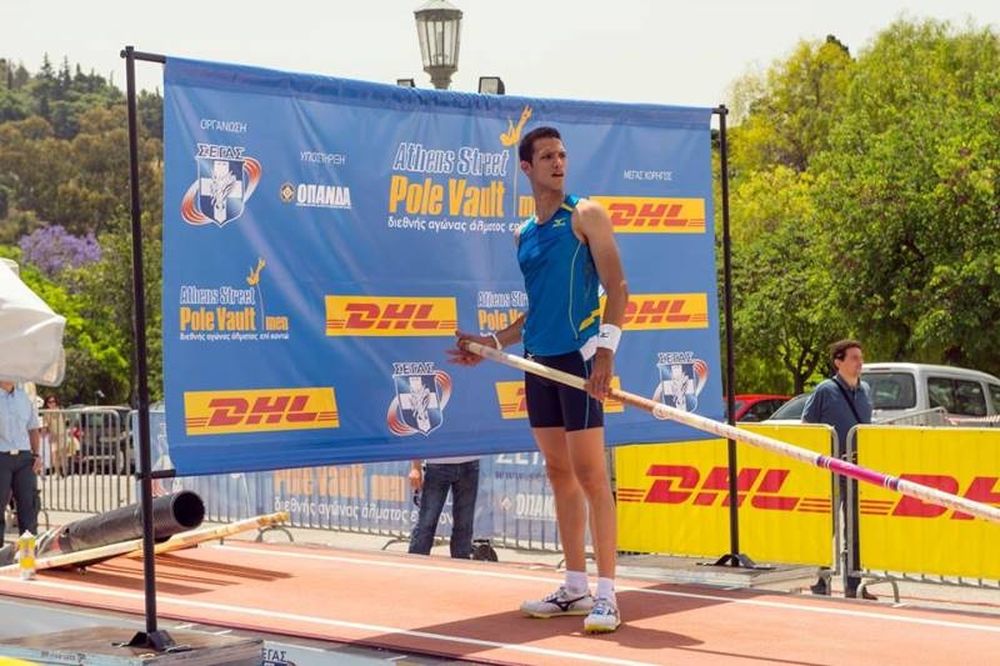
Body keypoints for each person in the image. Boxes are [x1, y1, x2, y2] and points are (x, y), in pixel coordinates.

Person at [448, 126, 628, 634]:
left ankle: (609, 595)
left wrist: (606, 356)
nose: (558, 162)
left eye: (563, 155)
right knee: (558, 471)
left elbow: (617, 286)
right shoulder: (524, 233)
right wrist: (491, 345)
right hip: (538, 361)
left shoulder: (585, 215)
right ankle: (574, 586)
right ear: (525, 167)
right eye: (547, 156)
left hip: (579, 358)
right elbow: (536, 311)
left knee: (592, 475)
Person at [802, 339, 876, 600]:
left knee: (855, 529)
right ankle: (822, 579)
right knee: (828, 525)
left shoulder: (865, 389)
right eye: (854, 358)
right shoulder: (825, 390)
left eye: (860, 357)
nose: (860, 363)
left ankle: (853, 584)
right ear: (838, 362)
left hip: (858, 468)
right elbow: (808, 424)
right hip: (831, 468)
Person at [407, 456, 480, 559]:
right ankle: (414, 564)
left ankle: (462, 567)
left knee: (464, 524)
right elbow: (418, 439)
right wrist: (415, 467)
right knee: (427, 522)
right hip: (437, 464)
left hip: (470, 463)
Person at [0, 380, 42, 546]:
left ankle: (28, 557)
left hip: (24, 458)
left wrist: (37, 454)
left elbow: (33, 428)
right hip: (1, 456)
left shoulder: (24, 397)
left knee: (28, 508)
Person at [41, 395, 70, 476]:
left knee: (63, 454)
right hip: (53, 435)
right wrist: (44, 432)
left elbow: (66, 421)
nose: (52, 403)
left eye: (53, 401)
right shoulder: (46, 413)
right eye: (49, 402)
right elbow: (45, 425)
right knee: (54, 455)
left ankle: (64, 472)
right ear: (47, 403)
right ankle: (57, 473)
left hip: (62, 434)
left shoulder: (61, 410)